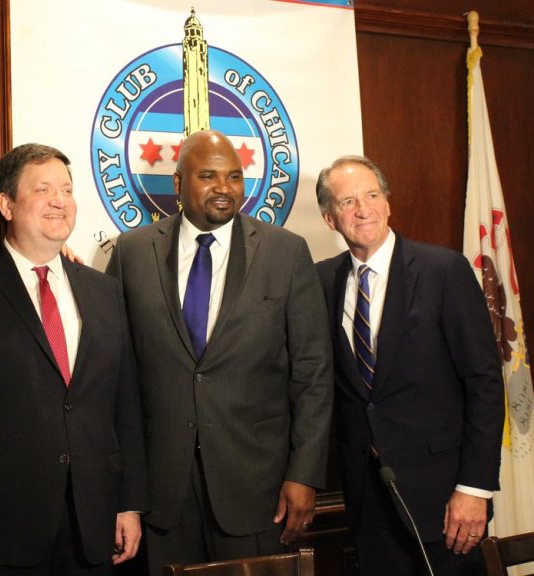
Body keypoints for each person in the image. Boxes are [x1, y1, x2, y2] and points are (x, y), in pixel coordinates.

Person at [105, 129, 334, 575]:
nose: (224, 188)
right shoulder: (133, 252)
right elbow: (115, 372)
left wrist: (304, 473)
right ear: (177, 183)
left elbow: (313, 374)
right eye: (208, 175)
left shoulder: (286, 252)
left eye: (234, 176)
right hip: (162, 491)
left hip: (257, 488)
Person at [0, 143, 148, 575]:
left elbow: (125, 405)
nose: (60, 200)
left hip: (94, 523)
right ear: (7, 204)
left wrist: (128, 502)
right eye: (44, 189)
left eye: (67, 189)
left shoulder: (103, 290)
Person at [314, 155, 505, 575]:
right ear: (330, 219)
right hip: (368, 500)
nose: (363, 210)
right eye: (347, 202)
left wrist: (474, 489)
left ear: (388, 203)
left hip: (446, 500)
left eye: (372, 195)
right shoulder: (321, 282)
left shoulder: (443, 271)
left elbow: (485, 384)